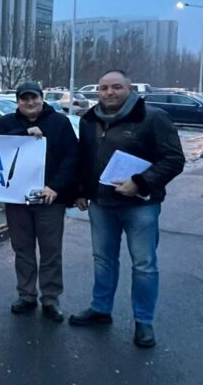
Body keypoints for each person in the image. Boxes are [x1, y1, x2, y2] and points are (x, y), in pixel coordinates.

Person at [69, 70, 184, 348]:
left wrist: (141, 182)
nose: (109, 92)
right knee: (103, 260)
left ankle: (143, 322)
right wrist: (81, 191)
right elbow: (85, 158)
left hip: (140, 207)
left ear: (129, 89)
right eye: (104, 87)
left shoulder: (153, 118)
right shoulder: (89, 120)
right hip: (101, 204)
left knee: (144, 265)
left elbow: (174, 159)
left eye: (116, 87)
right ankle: (101, 309)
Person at [0, 81, 78, 323]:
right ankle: (27, 294)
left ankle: (50, 298)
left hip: (50, 198)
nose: (30, 103)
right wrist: (23, 134)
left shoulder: (59, 123)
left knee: (51, 251)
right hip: (18, 200)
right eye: (24, 99)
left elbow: (71, 158)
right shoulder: (8, 122)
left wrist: (56, 187)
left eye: (34, 98)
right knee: (22, 249)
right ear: (18, 101)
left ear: (42, 99)